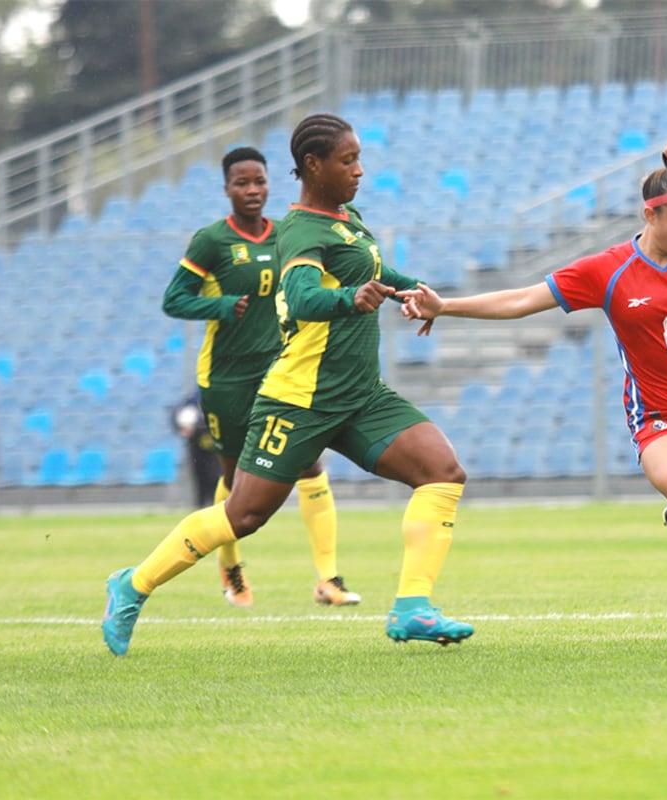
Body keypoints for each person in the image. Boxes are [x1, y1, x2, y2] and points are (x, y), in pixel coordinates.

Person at [398, 141, 667, 637]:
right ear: (650, 213)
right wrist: (444, 306)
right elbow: (521, 300)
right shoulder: (608, 270)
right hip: (665, 417)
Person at [102, 114, 473, 655]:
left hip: (360, 394)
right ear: (313, 167)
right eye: (348, 161)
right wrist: (352, 299)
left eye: (359, 159)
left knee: (443, 472)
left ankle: (412, 608)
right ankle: (132, 585)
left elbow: (374, 268)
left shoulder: (348, 218)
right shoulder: (301, 231)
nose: (360, 170)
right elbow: (301, 298)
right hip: (299, 398)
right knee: (243, 516)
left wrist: (414, 290)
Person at [159, 146, 360, 609]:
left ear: (271, 184)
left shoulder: (287, 235)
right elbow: (175, 300)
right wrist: (221, 306)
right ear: (227, 188)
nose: (252, 190)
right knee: (235, 478)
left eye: (260, 181)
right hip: (226, 379)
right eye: (242, 183)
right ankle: (231, 568)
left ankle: (328, 579)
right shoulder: (211, 241)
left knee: (310, 463)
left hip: (280, 372)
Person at [171, 390, 221, 508]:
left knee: (215, 475)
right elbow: (176, 415)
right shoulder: (194, 397)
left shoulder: (217, 394)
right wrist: (181, 428)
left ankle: (216, 504)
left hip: (215, 443)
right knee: (199, 475)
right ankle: (200, 505)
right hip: (196, 444)